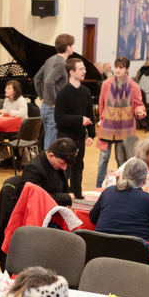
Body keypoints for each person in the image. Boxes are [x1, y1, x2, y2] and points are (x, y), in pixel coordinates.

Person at [89, 158, 149, 266]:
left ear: (123, 175)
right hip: (137, 258)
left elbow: (92, 218)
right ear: (144, 180)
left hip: (103, 253)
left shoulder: (108, 192)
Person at [95, 56, 145, 188]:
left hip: (124, 126)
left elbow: (138, 104)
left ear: (127, 69)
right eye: (116, 67)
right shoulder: (107, 83)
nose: (117, 70)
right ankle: (99, 186)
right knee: (103, 159)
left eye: (121, 67)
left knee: (121, 159)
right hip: (108, 126)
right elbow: (101, 103)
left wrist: (139, 111)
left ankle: (123, 186)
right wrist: (102, 118)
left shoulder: (133, 86)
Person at [54, 57, 95, 199]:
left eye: (84, 68)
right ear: (72, 72)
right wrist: (79, 119)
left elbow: (90, 114)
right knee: (65, 169)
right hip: (65, 138)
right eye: (81, 69)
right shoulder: (63, 93)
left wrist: (91, 135)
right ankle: (63, 197)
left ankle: (78, 196)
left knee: (78, 168)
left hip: (79, 137)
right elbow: (59, 118)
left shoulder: (85, 92)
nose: (84, 71)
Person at [33, 33, 74, 151]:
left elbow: (37, 79)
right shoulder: (61, 63)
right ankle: (47, 169)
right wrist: (55, 101)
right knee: (51, 147)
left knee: (48, 143)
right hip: (52, 109)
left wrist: (42, 96)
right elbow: (48, 82)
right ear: (67, 47)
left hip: (45, 107)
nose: (72, 48)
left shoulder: (50, 59)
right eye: (72, 45)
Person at [22, 138, 76, 207]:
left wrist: (71, 194)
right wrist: (66, 198)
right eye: (62, 163)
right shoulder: (33, 169)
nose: (64, 168)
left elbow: (63, 185)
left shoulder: (56, 163)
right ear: (51, 155)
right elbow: (35, 197)